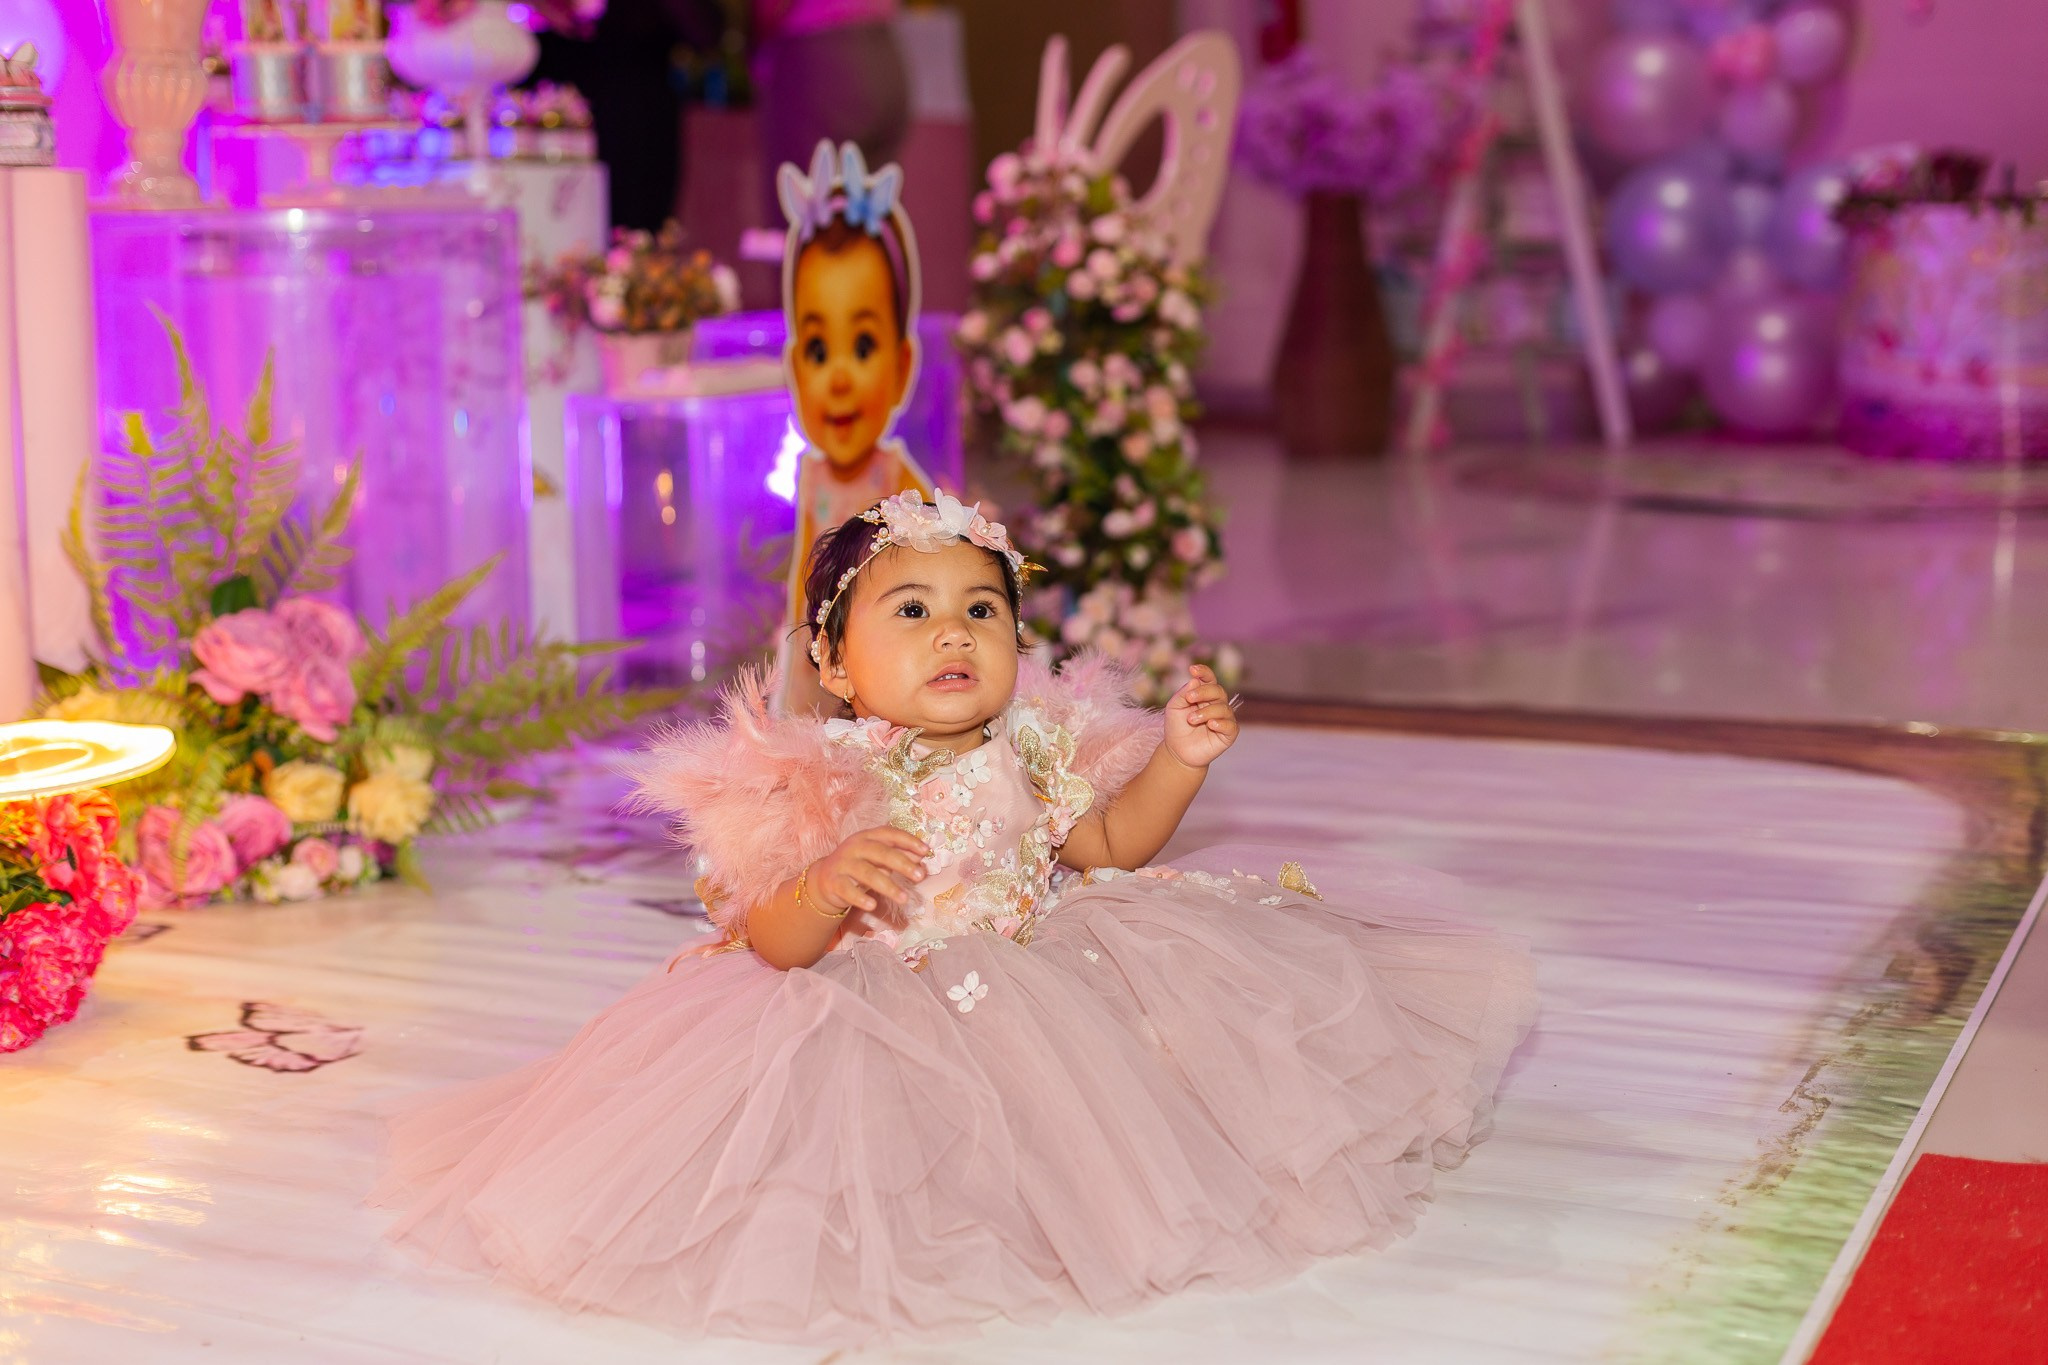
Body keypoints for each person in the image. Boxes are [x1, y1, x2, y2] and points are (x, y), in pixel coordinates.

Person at [373, 491, 1539, 1347]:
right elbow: (773, 943)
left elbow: (1109, 848)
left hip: (1039, 980)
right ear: (833, 661)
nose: (953, 633)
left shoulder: (1029, 749)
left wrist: (1177, 763)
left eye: (983, 609)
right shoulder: (822, 776)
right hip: (872, 1003)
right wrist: (825, 883)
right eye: (913, 610)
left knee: (1113, 1102)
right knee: (883, 1154)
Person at [774, 140, 932, 714]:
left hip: (883, 656)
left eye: (862, 347)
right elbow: (804, 569)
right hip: (820, 651)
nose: (838, 378)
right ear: (796, 370)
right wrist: (798, 632)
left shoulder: (895, 477)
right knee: (810, 740)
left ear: (901, 366)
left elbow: (933, 559)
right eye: (819, 351)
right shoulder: (812, 476)